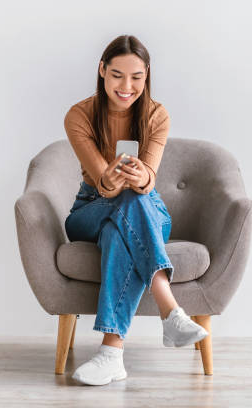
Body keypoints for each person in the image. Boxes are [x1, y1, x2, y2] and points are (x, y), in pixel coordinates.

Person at [63, 35, 208, 386]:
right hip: (91, 207)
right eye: (116, 75)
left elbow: (148, 180)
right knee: (122, 203)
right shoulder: (79, 116)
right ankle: (169, 310)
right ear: (101, 71)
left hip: (143, 206)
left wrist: (142, 176)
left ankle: (111, 354)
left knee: (121, 225)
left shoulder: (157, 115)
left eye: (136, 77)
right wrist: (112, 180)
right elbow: (103, 184)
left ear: (147, 76)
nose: (126, 87)